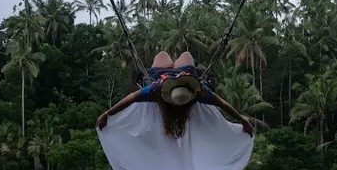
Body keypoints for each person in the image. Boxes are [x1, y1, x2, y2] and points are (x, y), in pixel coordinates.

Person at [97, 50, 254, 138]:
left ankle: (171, 61)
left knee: (163, 54)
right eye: (181, 80)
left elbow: (131, 99)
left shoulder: (156, 89)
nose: (177, 77)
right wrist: (241, 120)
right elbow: (223, 104)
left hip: (160, 74)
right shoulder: (199, 91)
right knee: (186, 54)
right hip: (187, 71)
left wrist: (107, 113)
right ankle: (183, 66)